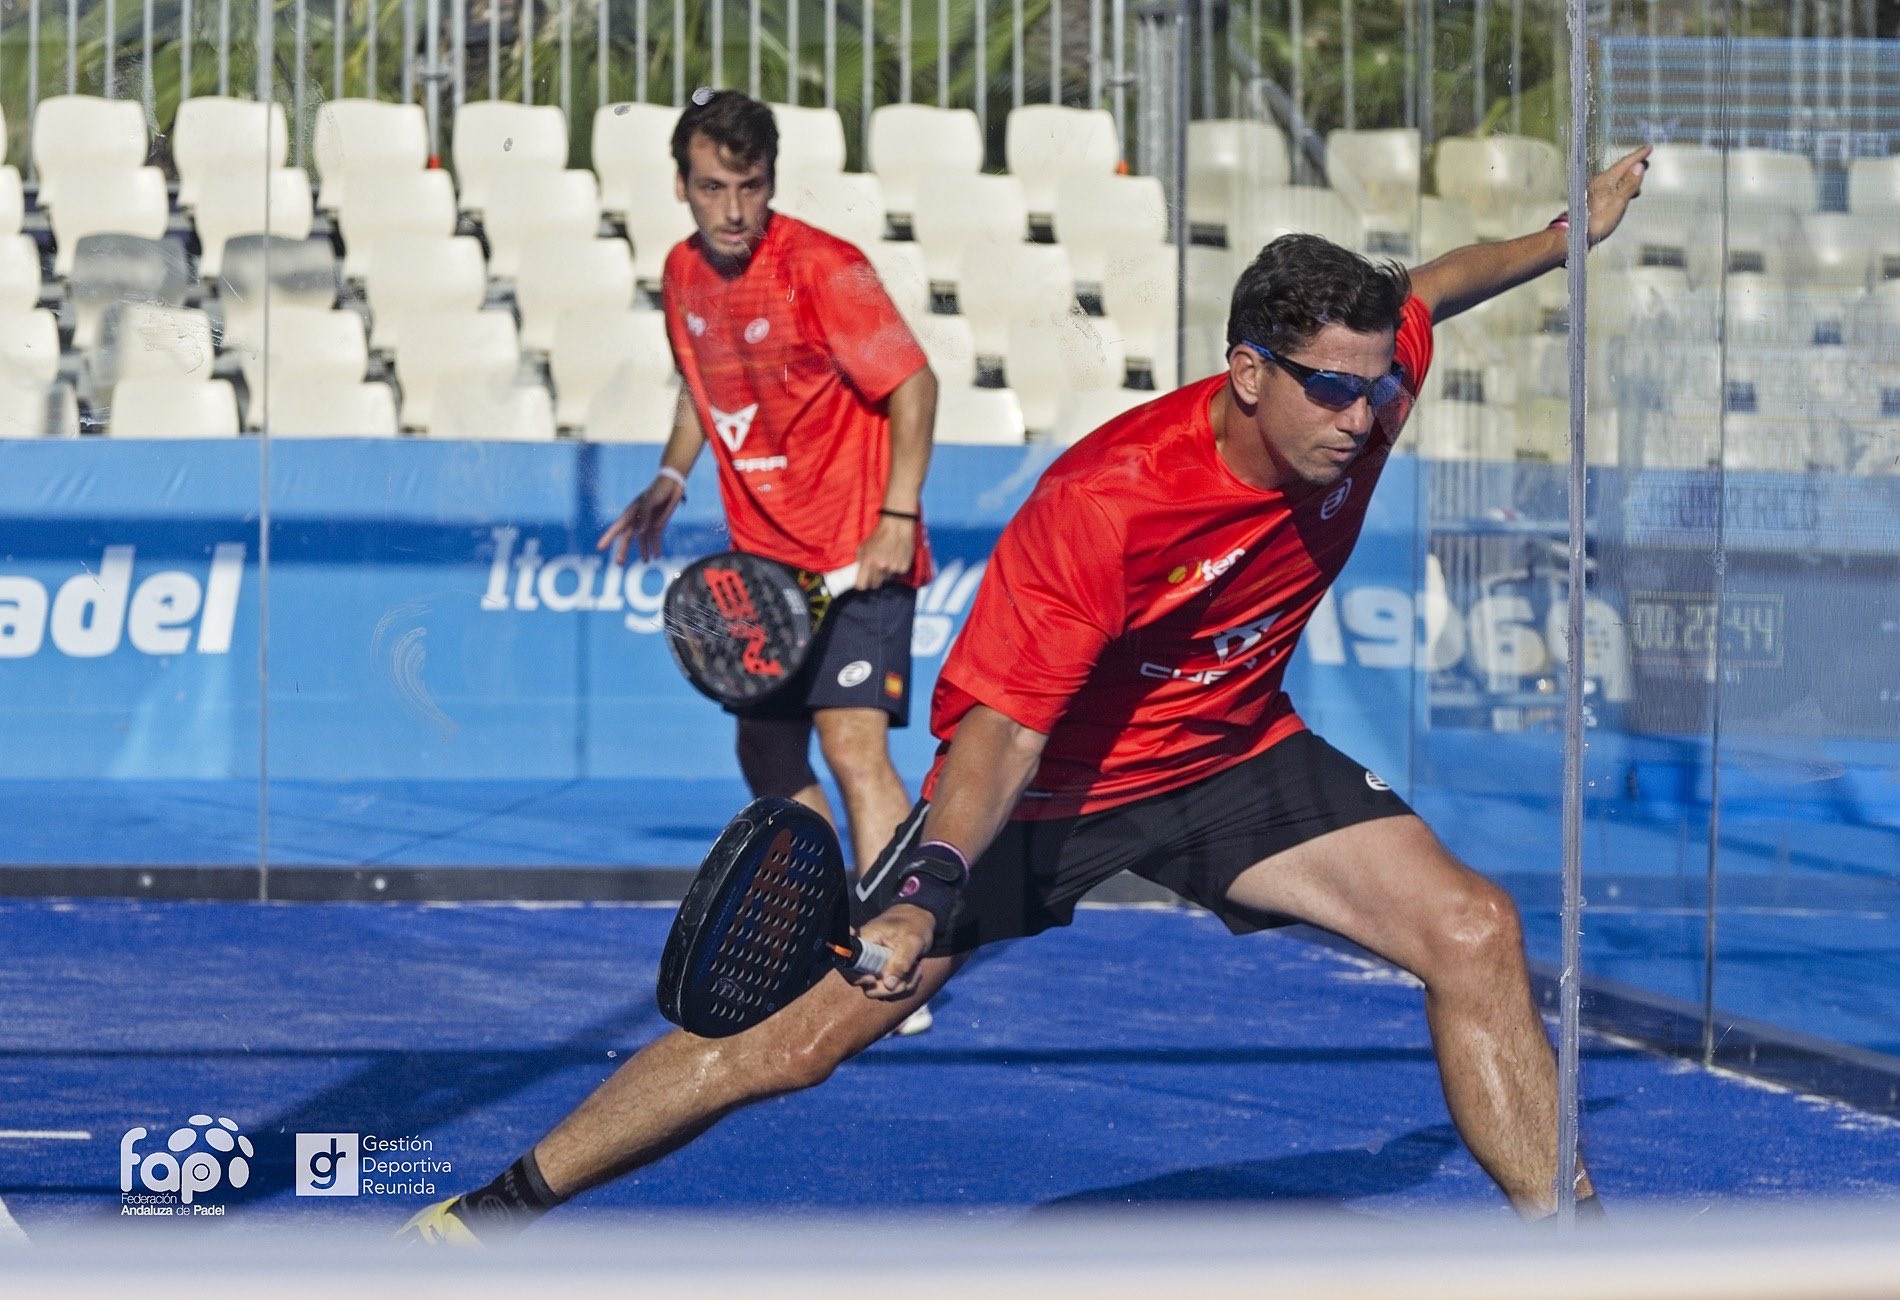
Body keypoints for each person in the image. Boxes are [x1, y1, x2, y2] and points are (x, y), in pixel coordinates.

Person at [400, 145, 1652, 1242]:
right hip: (1050, 790)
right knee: (794, 1043)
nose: (1362, 410)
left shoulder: (1363, 392)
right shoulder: (1109, 504)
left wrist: (1559, 242)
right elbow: (999, 741)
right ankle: (486, 1215)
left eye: (1377, 383)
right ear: (1247, 371)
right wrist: (925, 890)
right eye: (1331, 385)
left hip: (1230, 754)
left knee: (1475, 929)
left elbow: (1431, 286)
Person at [598, 90, 941, 1032]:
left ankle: (894, 956)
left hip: (861, 554)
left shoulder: (825, 269)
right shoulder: (680, 272)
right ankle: (830, 932)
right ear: (683, 186)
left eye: (751, 187)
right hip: (766, 575)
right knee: (766, 750)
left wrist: (897, 514)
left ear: (772, 182)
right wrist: (673, 475)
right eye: (714, 188)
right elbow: (701, 386)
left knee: (853, 744)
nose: (735, 210)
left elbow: (915, 384)